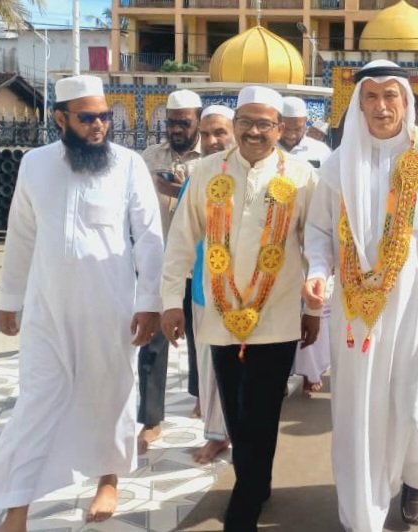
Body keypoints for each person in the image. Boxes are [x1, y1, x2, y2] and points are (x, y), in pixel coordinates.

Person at [0, 74, 163, 531]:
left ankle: (109, 478)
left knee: (111, 395)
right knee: (36, 405)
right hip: (48, 310)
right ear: (60, 119)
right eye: (87, 118)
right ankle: (17, 511)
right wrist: (9, 298)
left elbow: (149, 237)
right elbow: (21, 234)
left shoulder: (128, 165)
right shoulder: (34, 164)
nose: (99, 125)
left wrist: (149, 302)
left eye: (104, 116)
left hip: (111, 308)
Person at [303, 59, 418, 531]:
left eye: (390, 95)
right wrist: (318, 271)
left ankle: (415, 477)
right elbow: (318, 231)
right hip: (356, 312)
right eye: (370, 96)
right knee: (359, 411)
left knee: (414, 408)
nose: (381, 106)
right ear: (359, 104)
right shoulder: (338, 164)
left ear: (405, 101)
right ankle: (363, 516)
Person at [161, 86, 319, 531]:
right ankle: (257, 480)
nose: (253, 131)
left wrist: (313, 311)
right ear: (234, 125)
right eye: (245, 122)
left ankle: (246, 496)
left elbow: (316, 245)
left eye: (263, 123)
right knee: (234, 406)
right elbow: (181, 239)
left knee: (262, 410)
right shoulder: (205, 172)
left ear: (280, 129)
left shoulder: (303, 177)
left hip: (278, 313)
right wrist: (170, 301)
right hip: (220, 312)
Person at [138, 89, 204, 453]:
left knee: (200, 337)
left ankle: (201, 398)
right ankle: (151, 419)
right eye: (171, 122)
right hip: (159, 263)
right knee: (153, 341)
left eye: (184, 122)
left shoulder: (213, 159)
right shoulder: (150, 157)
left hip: (199, 266)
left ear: (198, 122)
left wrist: (183, 192)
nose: (176, 129)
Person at [188, 104, 235, 463]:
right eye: (205, 134)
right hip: (206, 289)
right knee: (209, 365)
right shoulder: (199, 176)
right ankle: (217, 434)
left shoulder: (265, 173)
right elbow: (182, 235)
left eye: (220, 132)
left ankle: (242, 432)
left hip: (255, 292)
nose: (211, 141)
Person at [280, 96, 333, 396]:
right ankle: (282, 371)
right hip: (277, 240)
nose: (291, 133)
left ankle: (311, 370)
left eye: (298, 127)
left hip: (312, 236)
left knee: (313, 305)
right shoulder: (267, 151)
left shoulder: (320, 152)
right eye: (287, 127)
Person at [280, 96, 332, 168]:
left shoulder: (322, 151)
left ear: (305, 122)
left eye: (297, 129)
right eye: (286, 129)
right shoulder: (266, 149)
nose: (291, 135)